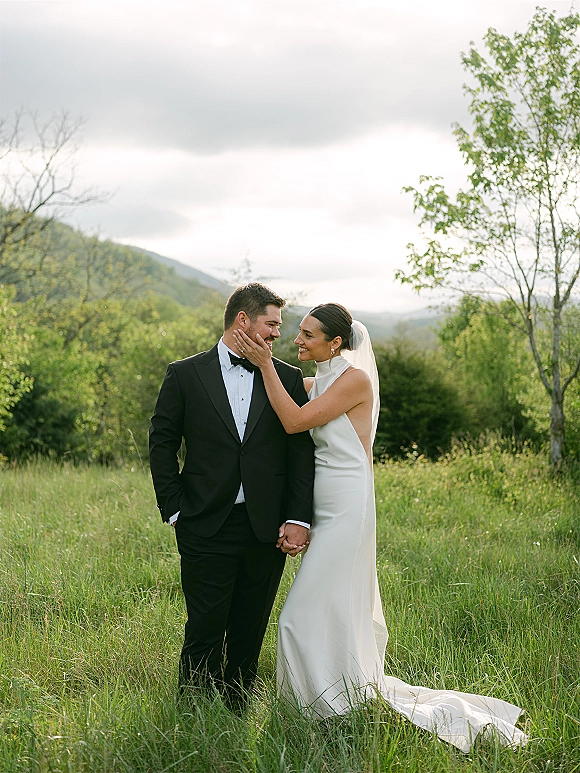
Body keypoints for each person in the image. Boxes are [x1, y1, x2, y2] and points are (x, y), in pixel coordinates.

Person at [233, 302, 528, 753]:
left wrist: (265, 363)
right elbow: (282, 401)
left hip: (348, 504)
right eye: (297, 332)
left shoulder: (355, 379)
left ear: (335, 343)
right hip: (320, 501)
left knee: (295, 616)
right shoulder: (317, 380)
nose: (297, 340)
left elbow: (294, 421)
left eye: (307, 335)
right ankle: (326, 701)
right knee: (330, 604)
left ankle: (318, 708)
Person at [149, 283, 315, 708]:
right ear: (244, 320)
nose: (279, 333)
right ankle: (195, 716)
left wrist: (298, 517)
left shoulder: (289, 378)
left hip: (266, 526)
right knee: (205, 625)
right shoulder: (184, 374)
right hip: (203, 521)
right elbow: (161, 442)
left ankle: (237, 709)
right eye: (272, 323)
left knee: (250, 625)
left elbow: (300, 454)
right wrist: (174, 509)